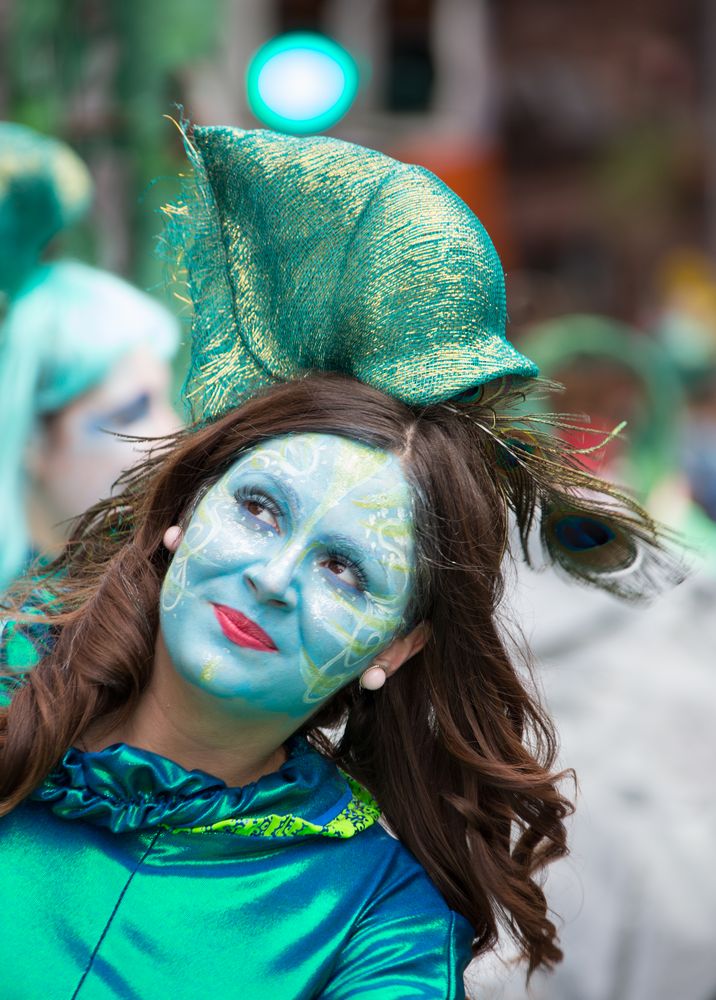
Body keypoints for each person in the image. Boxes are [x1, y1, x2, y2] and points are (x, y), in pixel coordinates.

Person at [0, 125, 674, 999]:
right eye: (257, 509)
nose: (274, 578)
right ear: (182, 516)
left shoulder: (381, 922)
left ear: (396, 646)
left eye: (346, 570)